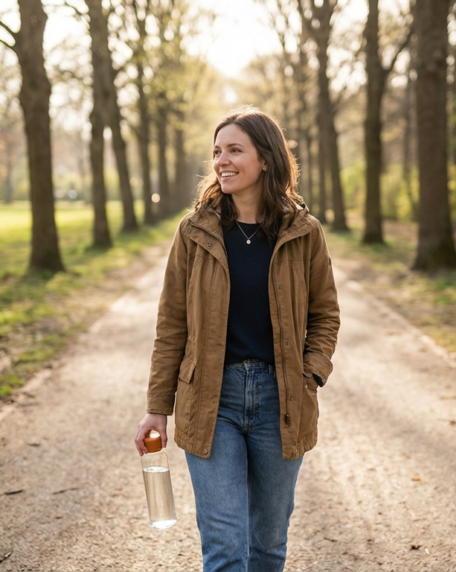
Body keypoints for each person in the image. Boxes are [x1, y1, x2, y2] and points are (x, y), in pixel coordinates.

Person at [133, 106, 340, 572]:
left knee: (268, 545)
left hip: (281, 401)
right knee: (225, 547)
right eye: (216, 152)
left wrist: (311, 373)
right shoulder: (194, 231)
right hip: (211, 401)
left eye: (234, 150)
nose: (221, 161)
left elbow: (325, 314)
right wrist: (156, 406)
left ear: (265, 158)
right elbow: (171, 325)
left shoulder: (304, 233)